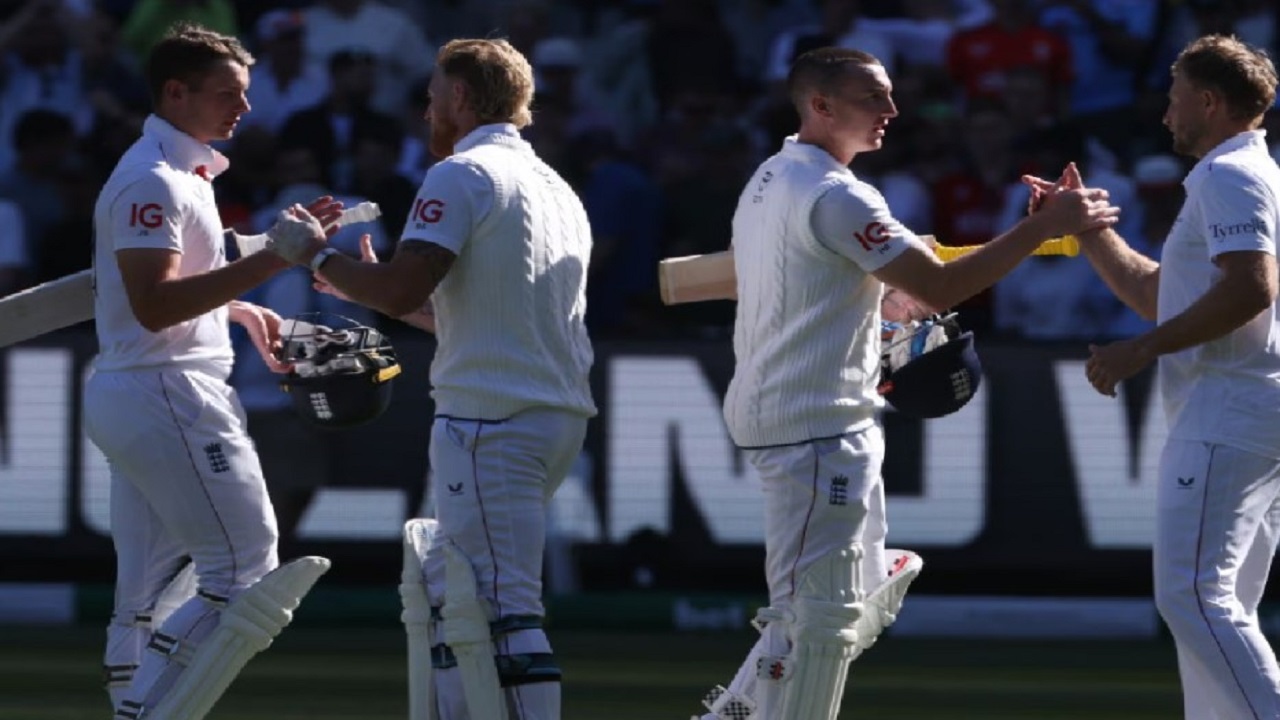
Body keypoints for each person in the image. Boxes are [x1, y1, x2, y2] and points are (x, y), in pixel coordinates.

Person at [696, 46, 1118, 720]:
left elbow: (819, 281)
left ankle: (733, 715)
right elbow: (943, 287)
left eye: (889, 93)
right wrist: (1043, 227)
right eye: (873, 96)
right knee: (822, 622)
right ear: (821, 106)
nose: (892, 109)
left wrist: (881, 295)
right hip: (814, 421)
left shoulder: (770, 177)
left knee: (842, 605)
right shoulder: (837, 195)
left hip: (813, 414)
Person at [272, 38, 596, 720]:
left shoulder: (461, 174)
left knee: (497, 606)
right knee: (466, 602)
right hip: (549, 415)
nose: (425, 114)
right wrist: (358, 282)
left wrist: (316, 256)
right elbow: (468, 316)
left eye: (431, 98)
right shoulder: (556, 187)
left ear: (460, 97)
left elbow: (399, 288)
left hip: (492, 417)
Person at [82, 23, 342, 720]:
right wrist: (276, 260)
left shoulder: (181, 174)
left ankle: (133, 708)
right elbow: (153, 305)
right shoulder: (152, 179)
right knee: (245, 569)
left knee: (142, 600)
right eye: (228, 94)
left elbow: (158, 289)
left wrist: (240, 309)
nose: (245, 108)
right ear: (176, 92)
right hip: (166, 391)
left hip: (142, 390)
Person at [1029, 34, 1280, 719]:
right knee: (1220, 605)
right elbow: (1158, 293)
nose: (1167, 114)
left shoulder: (1230, 175)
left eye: (1176, 99)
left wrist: (1141, 351)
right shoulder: (1245, 173)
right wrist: (1089, 229)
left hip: (1229, 409)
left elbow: (1251, 287)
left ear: (1209, 102)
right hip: (1244, 412)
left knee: (1192, 597)